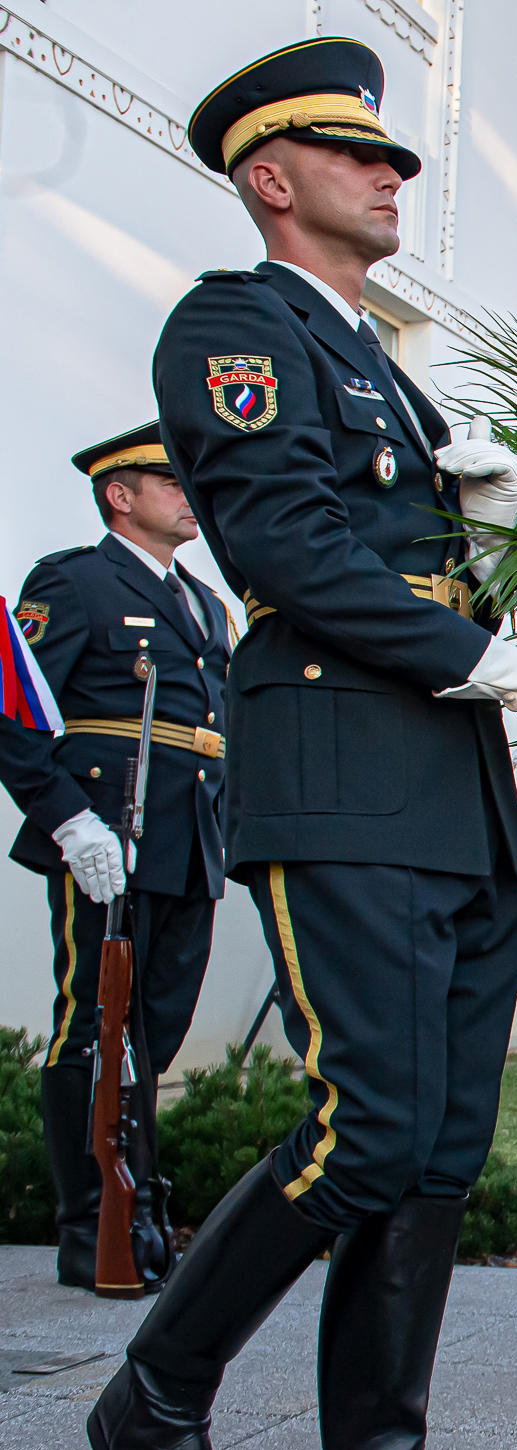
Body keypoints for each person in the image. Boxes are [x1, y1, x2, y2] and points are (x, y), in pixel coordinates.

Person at [90, 37, 517, 1450]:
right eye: (359, 155)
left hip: (446, 788)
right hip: (342, 774)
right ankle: (155, 1395)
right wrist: (491, 657)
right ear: (273, 176)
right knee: (363, 1120)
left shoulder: (381, 361)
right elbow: (296, 551)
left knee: (437, 1147)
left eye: (394, 157)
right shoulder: (238, 325)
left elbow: (397, 537)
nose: (393, 175)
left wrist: (497, 525)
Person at [2, 422, 227, 1295]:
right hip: (109, 836)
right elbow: (17, 711)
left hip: (188, 837)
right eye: (167, 480)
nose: (186, 493)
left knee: (152, 1035)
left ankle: (137, 1203)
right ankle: (88, 1222)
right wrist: (69, 822)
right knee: (93, 1025)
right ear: (118, 494)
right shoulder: (74, 581)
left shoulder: (207, 605)